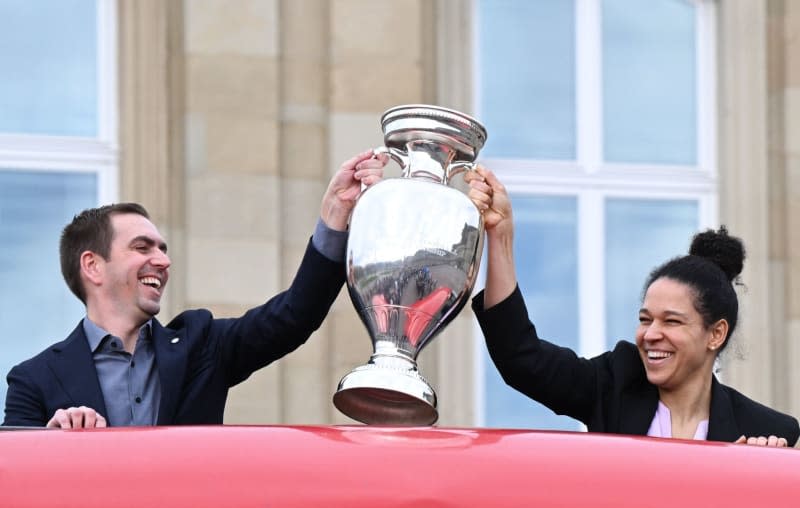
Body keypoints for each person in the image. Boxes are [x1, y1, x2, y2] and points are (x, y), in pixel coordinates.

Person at [3, 150, 387, 428]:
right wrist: (51, 440)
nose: (163, 261)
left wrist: (335, 215)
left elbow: (294, 315)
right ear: (92, 266)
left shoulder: (202, 345)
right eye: (142, 247)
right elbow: (16, 481)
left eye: (163, 249)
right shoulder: (33, 380)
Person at [466, 166, 800, 447]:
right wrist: (501, 235)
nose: (651, 334)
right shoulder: (614, 382)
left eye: (671, 321)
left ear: (716, 333)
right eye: (645, 319)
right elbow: (520, 358)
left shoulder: (764, 430)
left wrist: (758, 468)